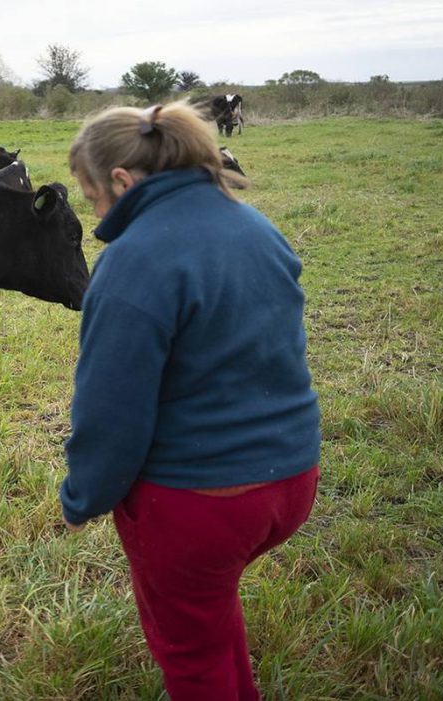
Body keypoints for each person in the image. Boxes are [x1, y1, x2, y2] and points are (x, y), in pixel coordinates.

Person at [60, 101, 321, 701]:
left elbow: (111, 413)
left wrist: (83, 497)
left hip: (202, 502)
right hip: (291, 479)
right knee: (209, 613)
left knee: (190, 659)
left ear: (122, 182)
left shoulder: (134, 259)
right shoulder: (254, 225)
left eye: (92, 196)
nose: (98, 213)